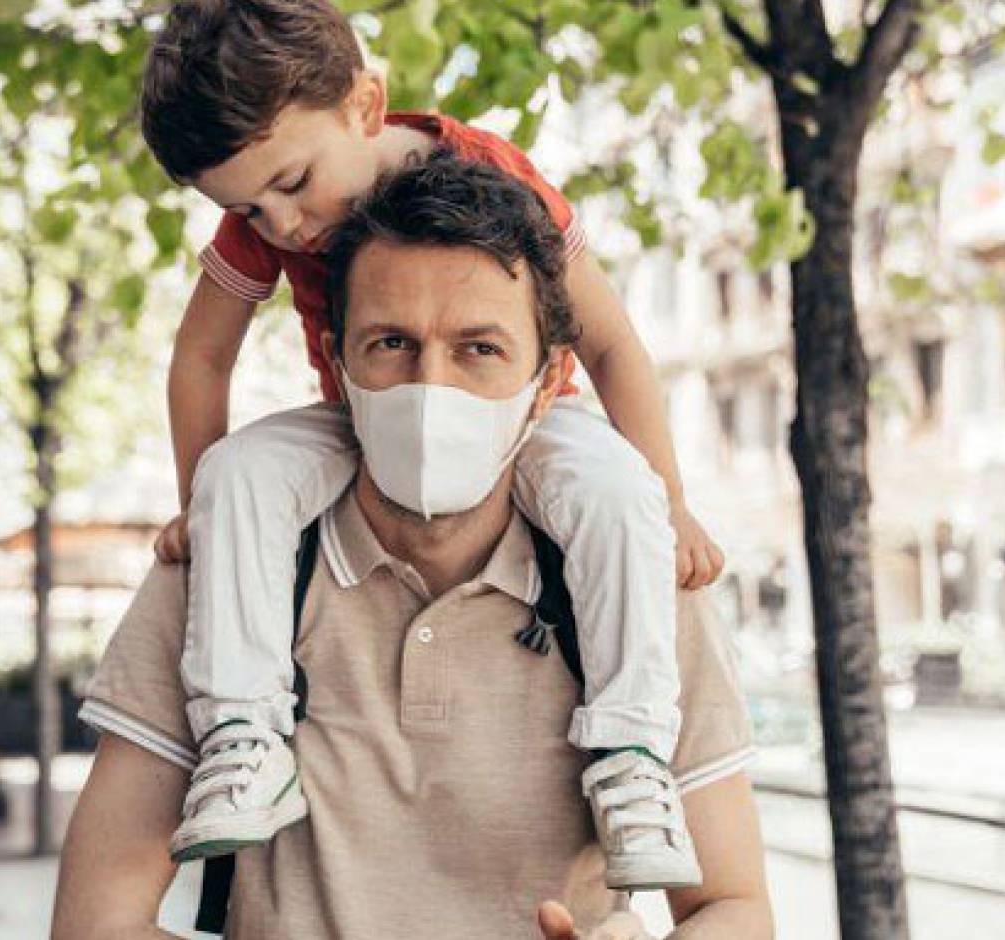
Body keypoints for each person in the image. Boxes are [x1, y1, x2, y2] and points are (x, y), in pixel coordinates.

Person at [55, 154, 772, 940]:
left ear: (548, 382)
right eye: (392, 343)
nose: (431, 390)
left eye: (480, 349)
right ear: (336, 361)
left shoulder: (637, 582)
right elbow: (98, 924)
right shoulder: (218, 581)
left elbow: (732, 908)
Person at [139, 0, 725, 889]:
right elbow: (201, 355)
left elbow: (609, 343)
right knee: (242, 474)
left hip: (522, 418)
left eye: (293, 185)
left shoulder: (492, 175)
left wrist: (671, 498)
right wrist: (200, 505)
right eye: (249, 210)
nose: (283, 227)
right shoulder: (262, 219)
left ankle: (632, 753)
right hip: (367, 417)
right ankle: (244, 736)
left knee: (619, 496)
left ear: (365, 108)